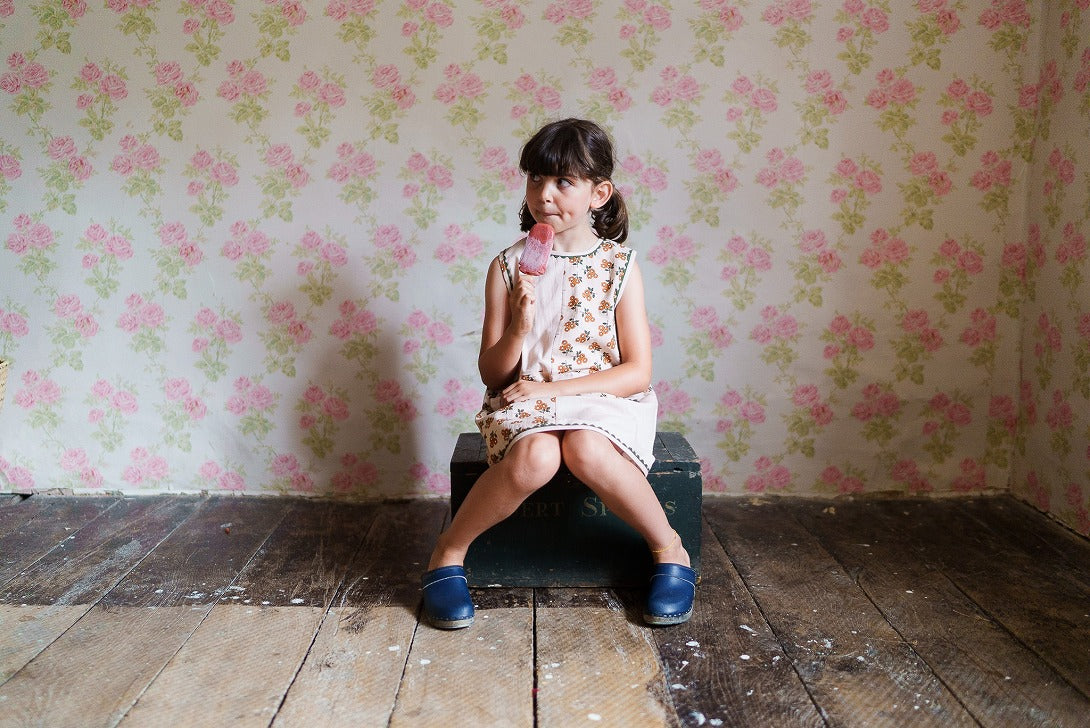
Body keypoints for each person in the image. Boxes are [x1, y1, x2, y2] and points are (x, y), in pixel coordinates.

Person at [421, 118, 696, 629]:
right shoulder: (508, 267)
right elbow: (493, 374)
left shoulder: (619, 266)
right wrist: (519, 329)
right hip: (524, 401)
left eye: (563, 182)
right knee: (538, 456)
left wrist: (554, 391)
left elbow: (637, 373)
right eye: (535, 179)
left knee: (586, 448)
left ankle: (670, 549)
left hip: (603, 399)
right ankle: (448, 553)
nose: (544, 194)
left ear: (599, 193)